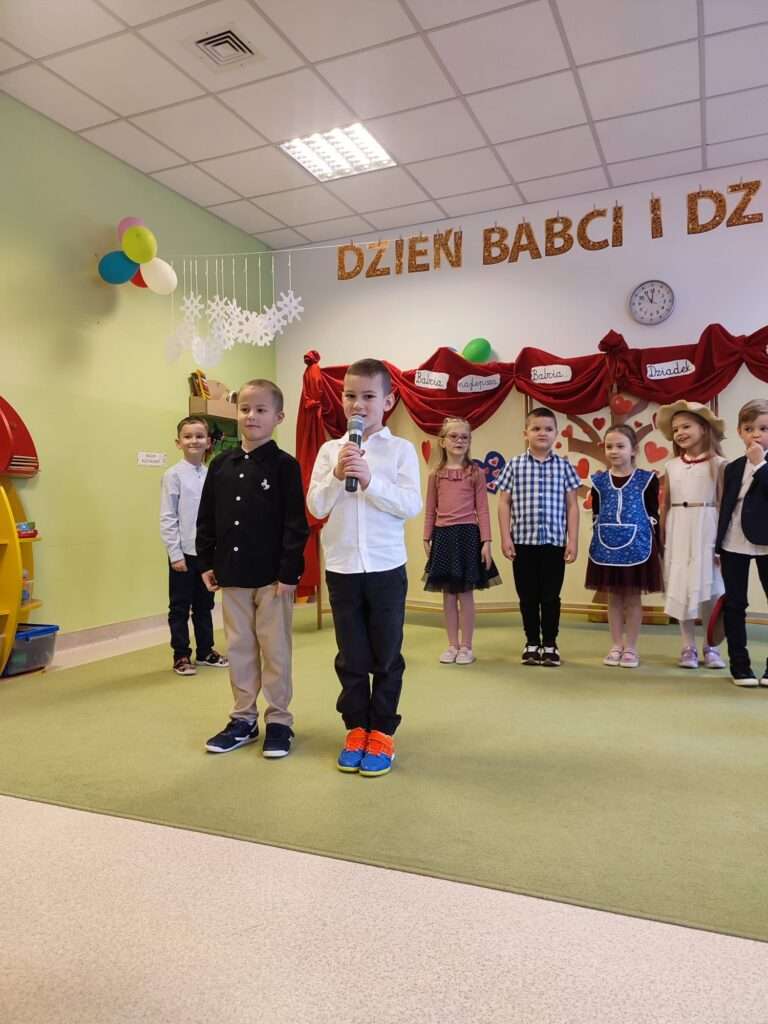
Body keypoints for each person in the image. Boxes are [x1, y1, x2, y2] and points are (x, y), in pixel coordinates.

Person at [307, 358, 421, 777]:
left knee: (386, 654)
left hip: (387, 568)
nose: (359, 405)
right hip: (342, 569)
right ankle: (356, 727)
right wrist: (338, 475)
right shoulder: (329, 451)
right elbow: (316, 505)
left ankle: (383, 730)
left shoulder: (400, 450)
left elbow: (410, 504)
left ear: (388, 401)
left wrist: (371, 481)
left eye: (369, 396)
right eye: (351, 396)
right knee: (351, 655)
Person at [196, 380, 309, 758]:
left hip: (273, 579)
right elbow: (207, 517)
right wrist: (206, 560)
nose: (251, 416)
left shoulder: (284, 466)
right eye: (245, 409)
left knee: (275, 651)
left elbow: (296, 524)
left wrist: (290, 573)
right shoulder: (220, 464)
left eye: (261, 410)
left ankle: (279, 720)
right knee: (240, 648)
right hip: (232, 574)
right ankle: (243, 718)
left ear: (278, 417)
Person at [497, 406, 580, 667]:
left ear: (556, 433)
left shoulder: (564, 467)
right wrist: (505, 537)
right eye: (536, 428)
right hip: (523, 542)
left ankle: (551, 644)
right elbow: (504, 503)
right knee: (528, 596)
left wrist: (573, 540)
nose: (542, 433)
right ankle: (532, 642)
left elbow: (572, 506)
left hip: (554, 543)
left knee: (550, 597)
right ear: (526, 433)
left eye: (548, 429)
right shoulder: (515, 465)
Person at [422, 416, 500, 665]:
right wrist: (426, 536)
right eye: (454, 436)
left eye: (464, 437)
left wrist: (487, 541)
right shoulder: (436, 475)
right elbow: (430, 509)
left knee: (465, 594)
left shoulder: (475, 473)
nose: (459, 441)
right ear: (442, 441)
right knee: (448, 595)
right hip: (443, 536)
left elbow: (483, 509)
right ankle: (452, 645)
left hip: (468, 536)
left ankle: (466, 646)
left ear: (469, 441)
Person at [585, 425, 663, 669]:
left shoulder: (647, 480)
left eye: (620, 446)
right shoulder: (598, 481)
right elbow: (596, 514)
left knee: (632, 597)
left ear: (633, 450)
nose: (614, 451)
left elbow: (653, 514)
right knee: (614, 598)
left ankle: (631, 647)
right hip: (606, 546)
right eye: (609, 446)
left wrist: (659, 546)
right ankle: (616, 644)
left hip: (637, 547)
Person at [658, 400, 726, 670]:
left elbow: (723, 503)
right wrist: (663, 535)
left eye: (686, 426)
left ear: (704, 428)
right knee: (681, 585)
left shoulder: (719, 464)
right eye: (676, 429)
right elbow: (666, 504)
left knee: (711, 586)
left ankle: (711, 646)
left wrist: (721, 542)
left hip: (707, 527)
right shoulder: (672, 466)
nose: (680, 433)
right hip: (679, 527)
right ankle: (687, 646)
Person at [160, 416, 228, 676]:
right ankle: (181, 654)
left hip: (206, 555)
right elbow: (168, 517)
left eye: (199, 436)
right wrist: (175, 554)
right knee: (180, 606)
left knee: (205, 605)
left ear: (208, 442)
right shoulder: (173, 476)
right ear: (178, 442)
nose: (194, 441)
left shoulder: (212, 475)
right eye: (187, 436)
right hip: (183, 554)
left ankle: (205, 651)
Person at [715, 399, 768, 686]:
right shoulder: (733, 467)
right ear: (739, 432)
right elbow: (727, 506)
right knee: (735, 603)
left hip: (766, 540)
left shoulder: (761, 463)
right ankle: (740, 665)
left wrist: (760, 464)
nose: (756, 434)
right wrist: (717, 545)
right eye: (749, 429)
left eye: (764, 428)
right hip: (733, 540)